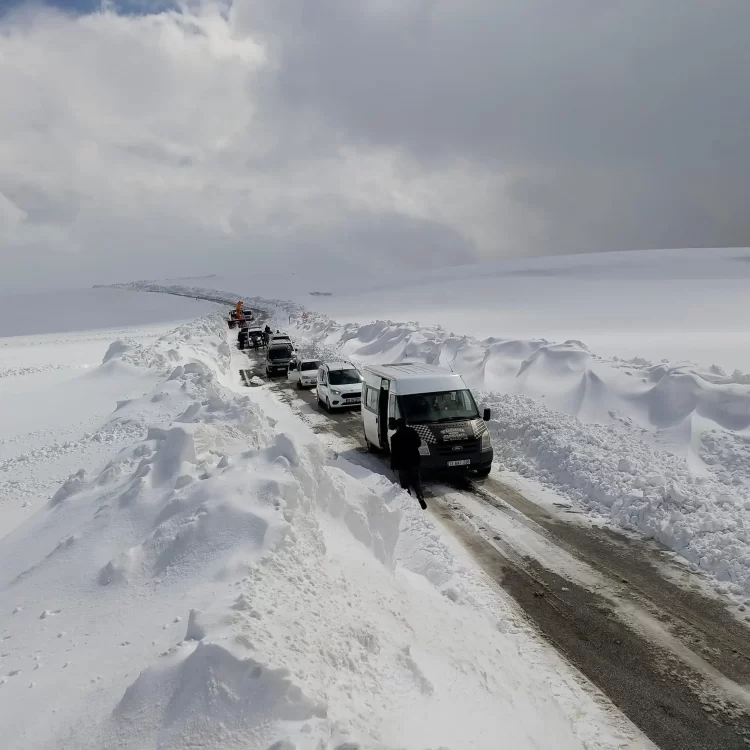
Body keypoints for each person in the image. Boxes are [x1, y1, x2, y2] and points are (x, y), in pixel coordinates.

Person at [390, 418, 426, 509]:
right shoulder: (412, 432)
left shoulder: (394, 438)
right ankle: (420, 495)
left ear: (397, 426)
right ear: (405, 424)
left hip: (402, 464)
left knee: (404, 483)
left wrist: (393, 466)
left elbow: (394, 453)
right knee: (416, 479)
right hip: (415, 460)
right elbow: (418, 443)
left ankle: (409, 501)